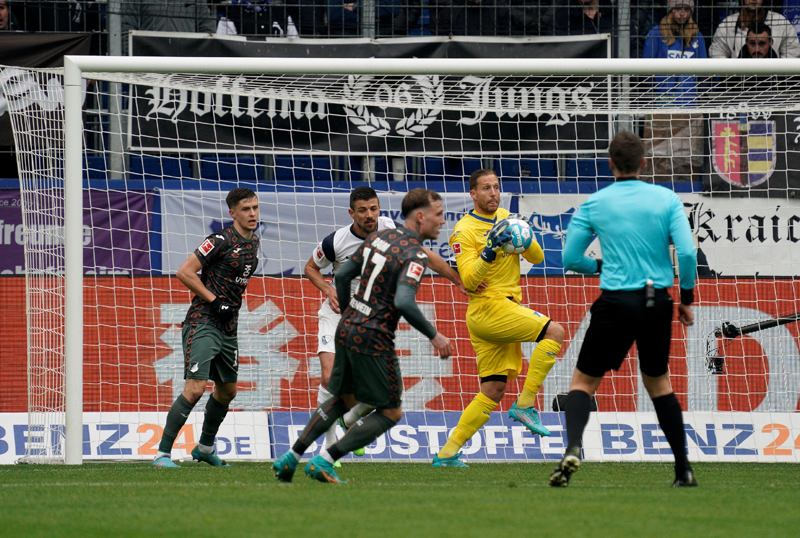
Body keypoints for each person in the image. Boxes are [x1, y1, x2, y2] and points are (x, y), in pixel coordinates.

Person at [273, 188, 454, 483]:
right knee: (391, 412)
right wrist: (435, 336)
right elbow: (404, 302)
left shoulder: (378, 239)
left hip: (347, 326)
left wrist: (347, 308)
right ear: (421, 218)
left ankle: (291, 457)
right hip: (374, 335)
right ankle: (326, 459)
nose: (442, 221)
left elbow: (342, 276)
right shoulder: (414, 254)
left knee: (343, 398)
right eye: (438, 215)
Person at [550, 131, 698, 487]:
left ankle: (572, 448)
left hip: (615, 301)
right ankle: (683, 469)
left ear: (610, 163)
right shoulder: (666, 199)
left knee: (583, 382)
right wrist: (687, 299)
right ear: (644, 163)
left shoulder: (595, 203)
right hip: (656, 302)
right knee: (658, 383)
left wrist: (600, 267)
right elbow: (689, 253)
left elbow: (570, 258)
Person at [431, 169, 565, 467]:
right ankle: (526, 404)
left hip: (500, 311)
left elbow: (537, 257)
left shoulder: (507, 216)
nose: (493, 193)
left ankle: (447, 453)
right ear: (473, 194)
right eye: (486, 188)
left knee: (493, 389)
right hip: (488, 309)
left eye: (496, 187)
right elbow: (467, 280)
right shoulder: (464, 230)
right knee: (554, 332)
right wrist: (490, 249)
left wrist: (522, 234)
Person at [153, 188, 260, 467]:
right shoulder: (220, 240)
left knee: (227, 391)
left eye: (255, 208)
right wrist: (214, 301)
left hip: (228, 327)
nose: (252, 214)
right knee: (195, 388)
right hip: (204, 320)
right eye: (246, 209)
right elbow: (184, 272)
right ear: (232, 213)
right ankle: (162, 454)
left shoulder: (254, 243)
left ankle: (204, 447)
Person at [642, 0, 707, 182]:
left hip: (689, 111)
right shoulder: (656, 34)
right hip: (662, 109)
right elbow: (647, 75)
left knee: (688, 163)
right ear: (670, 10)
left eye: (686, 9)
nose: (682, 14)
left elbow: (704, 77)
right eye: (678, 9)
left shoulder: (697, 37)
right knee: (658, 162)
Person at [709, 0, 800, 58]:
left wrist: (776, 76)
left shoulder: (781, 22)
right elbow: (716, 55)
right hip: (739, 82)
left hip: (772, 82)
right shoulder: (727, 24)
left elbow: (792, 55)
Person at [122, 0, 217, 34]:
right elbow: (126, 27)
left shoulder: (198, 1)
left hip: (186, 63)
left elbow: (207, 28)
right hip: (148, 62)